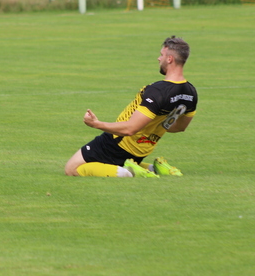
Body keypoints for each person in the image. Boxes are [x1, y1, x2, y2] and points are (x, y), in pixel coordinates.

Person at [65, 36, 198, 178]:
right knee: (110, 161)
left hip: (118, 143)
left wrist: (96, 124)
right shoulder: (191, 92)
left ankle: (128, 173)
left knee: (72, 168)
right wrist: (153, 125)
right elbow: (180, 127)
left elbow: (130, 129)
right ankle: (154, 168)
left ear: (170, 59)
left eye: (161, 55)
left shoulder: (157, 91)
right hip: (143, 149)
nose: (159, 59)